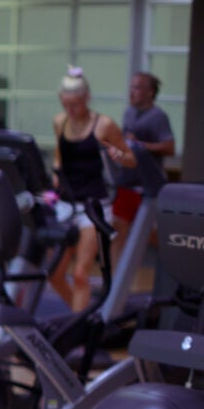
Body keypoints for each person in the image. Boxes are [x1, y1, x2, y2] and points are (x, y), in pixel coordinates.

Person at [50, 66, 136, 312]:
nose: (70, 110)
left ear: (86, 98)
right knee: (54, 273)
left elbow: (132, 159)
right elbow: (59, 155)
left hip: (94, 206)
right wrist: (55, 176)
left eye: (75, 104)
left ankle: (78, 328)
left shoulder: (104, 125)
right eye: (65, 104)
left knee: (80, 273)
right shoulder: (60, 122)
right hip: (66, 204)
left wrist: (119, 154)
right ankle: (82, 318)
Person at [110, 71, 175, 255]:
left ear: (150, 92)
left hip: (148, 185)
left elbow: (169, 147)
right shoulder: (129, 113)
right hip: (127, 181)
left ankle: (176, 262)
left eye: (137, 88)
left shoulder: (158, 117)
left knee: (150, 234)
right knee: (118, 229)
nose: (132, 92)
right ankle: (114, 281)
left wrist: (141, 145)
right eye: (131, 87)